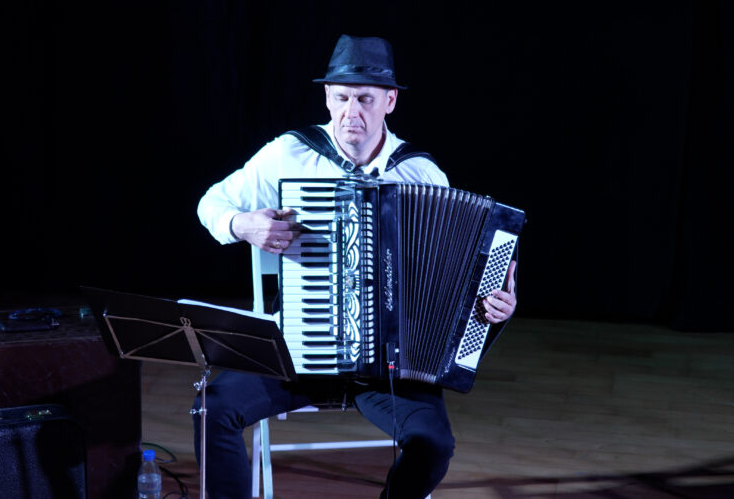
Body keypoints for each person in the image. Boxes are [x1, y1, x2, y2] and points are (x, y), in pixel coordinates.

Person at [194, 34, 517, 498]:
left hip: (391, 368)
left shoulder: (420, 173)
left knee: (434, 444)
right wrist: (243, 224)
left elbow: (460, 283)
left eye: (365, 99)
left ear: (390, 101)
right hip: (299, 350)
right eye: (341, 97)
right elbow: (212, 203)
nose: (351, 112)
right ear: (327, 96)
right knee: (212, 408)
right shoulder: (289, 153)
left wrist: (494, 305)